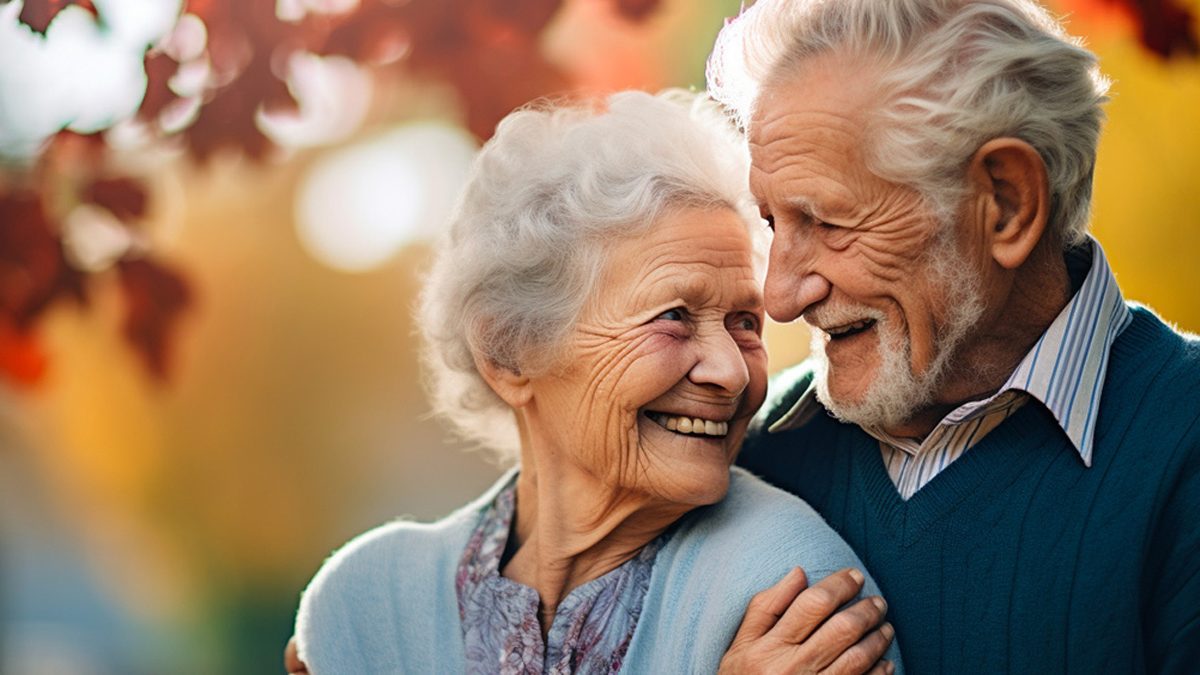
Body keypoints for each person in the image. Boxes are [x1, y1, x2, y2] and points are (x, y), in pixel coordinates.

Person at [289, 90, 903, 674]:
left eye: (745, 322)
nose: (732, 371)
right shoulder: (365, 608)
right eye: (674, 318)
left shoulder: (787, 592)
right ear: (509, 352)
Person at [703, 1, 1200, 673]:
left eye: (825, 221)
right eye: (773, 222)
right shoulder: (749, 452)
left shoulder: (1181, 445)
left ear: (1006, 203)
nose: (781, 298)